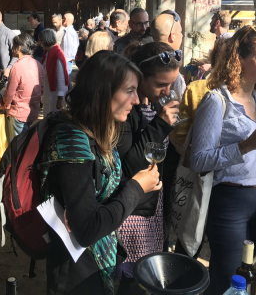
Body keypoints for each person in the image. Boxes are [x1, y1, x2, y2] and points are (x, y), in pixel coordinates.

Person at [42, 50, 162, 295]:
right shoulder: (72, 139)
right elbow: (87, 230)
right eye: (129, 91)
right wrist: (137, 187)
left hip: (98, 262)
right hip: (76, 272)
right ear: (102, 91)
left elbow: (100, 205)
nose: (137, 100)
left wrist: (96, 208)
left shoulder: (100, 133)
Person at [190, 25, 256, 295]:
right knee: (230, 283)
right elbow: (198, 160)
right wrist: (246, 145)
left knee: (246, 281)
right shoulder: (216, 101)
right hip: (230, 204)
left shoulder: (255, 97)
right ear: (238, 59)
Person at [115, 42, 181, 294]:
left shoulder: (153, 105)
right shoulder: (124, 111)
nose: (167, 91)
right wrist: (161, 125)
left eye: (171, 85)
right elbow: (130, 164)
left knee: (149, 278)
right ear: (140, 77)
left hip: (153, 206)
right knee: (131, 282)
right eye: (161, 85)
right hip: (130, 211)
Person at [0, 33, 44, 141]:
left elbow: (10, 94)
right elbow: (42, 88)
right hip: (33, 110)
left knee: (17, 144)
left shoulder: (17, 66)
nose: (12, 48)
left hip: (19, 112)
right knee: (26, 142)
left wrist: (4, 105)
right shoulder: (37, 64)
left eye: (13, 46)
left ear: (19, 48)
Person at [151, 10, 186, 101]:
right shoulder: (171, 69)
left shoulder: (148, 59)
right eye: (181, 32)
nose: (182, 36)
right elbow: (178, 106)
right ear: (172, 36)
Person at [39, 29, 69, 117]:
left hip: (54, 98)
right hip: (48, 95)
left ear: (46, 40)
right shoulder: (48, 53)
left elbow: (61, 78)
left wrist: (60, 98)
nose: (40, 43)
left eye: (41, 40)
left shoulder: (57, 55)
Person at [62, 12, 80, 89]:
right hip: (68, 58)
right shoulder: (71, 31)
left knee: (66, 81)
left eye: (62, 18)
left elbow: (67, 47)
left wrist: (65, 57)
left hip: (66, 59)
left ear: (65, 20)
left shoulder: (68, 32)